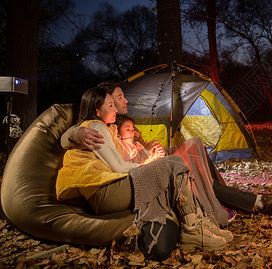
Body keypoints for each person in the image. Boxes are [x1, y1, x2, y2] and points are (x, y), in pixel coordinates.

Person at [61, 81, 272, 216]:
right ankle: (249, 201)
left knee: (195, 144)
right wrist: (72, 133)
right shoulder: (103, 126)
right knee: (191, 161)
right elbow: (117, 158)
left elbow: (127, 151)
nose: (125, 101)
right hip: (132, 172)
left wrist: (146, 146)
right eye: (118, 98)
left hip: (141, 162)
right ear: (101, 104)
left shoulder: (114, 125)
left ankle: (227, 196)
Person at [56, 87, 233, 261]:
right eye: (112, 103)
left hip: (108, 187)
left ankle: (196, 224)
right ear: (97, 109)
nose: (117, 107)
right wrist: (152, 169)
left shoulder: (109, 129)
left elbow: (126, 160)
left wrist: (148, 155)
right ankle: (193, 228)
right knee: (174, 163)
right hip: (104, 191)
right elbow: (118, 166)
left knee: (175, 162)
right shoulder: (95, 127)